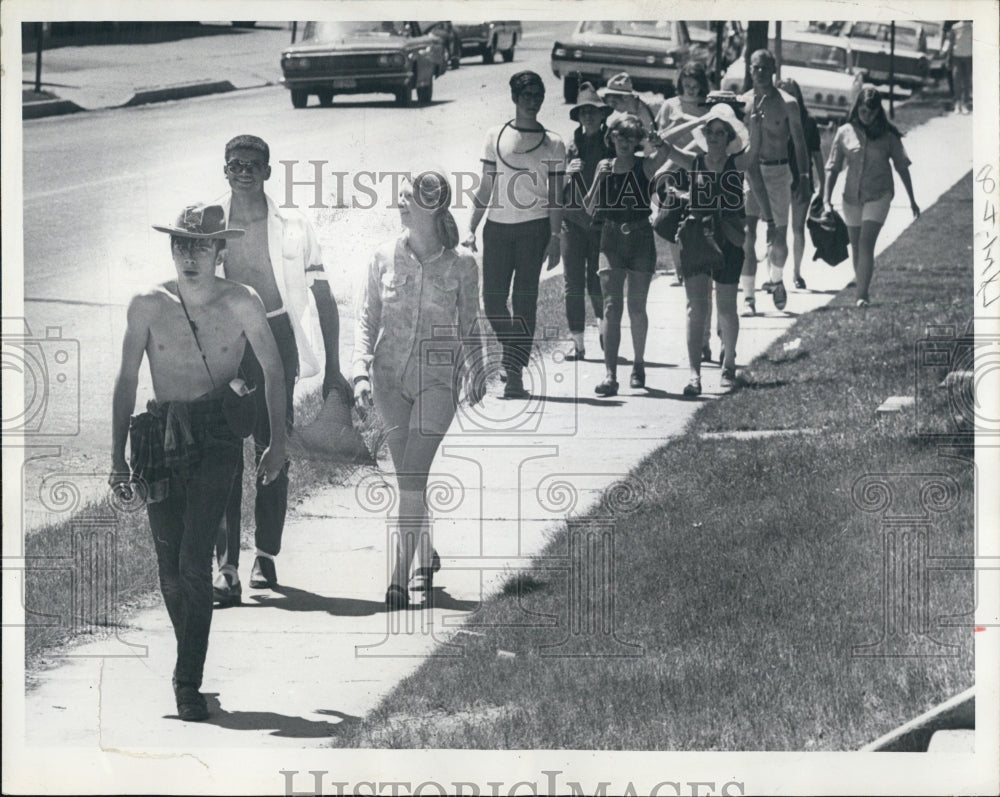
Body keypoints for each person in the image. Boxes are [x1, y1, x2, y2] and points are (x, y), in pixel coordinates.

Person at [109, 203, 287, 721]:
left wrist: (276, 444)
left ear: (220, 250)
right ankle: (192, 662)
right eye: (181, 244)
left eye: (201, 245)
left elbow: (274, 371)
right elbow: (125, 381)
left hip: (217, 438)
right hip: (160, 437)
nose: (190, 255)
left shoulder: (243, 301)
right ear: (172, 248)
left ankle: (187, 683)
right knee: (169, 572)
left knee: (193, 562)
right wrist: (116, 458)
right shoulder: (147, 304)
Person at [212, 134, 351, 605]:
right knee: (224, 451)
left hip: (278, 337)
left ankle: (266, 555)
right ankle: (226, 567)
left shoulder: (294, 225)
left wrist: (335, 368)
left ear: (268, 171)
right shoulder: (211, 221)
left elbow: (324, 296)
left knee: (274, 443)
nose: (244, 171)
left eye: (254, 164)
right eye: (236, 164)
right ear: (225, 170)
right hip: (227, 342)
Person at [354, 171, 485, 609]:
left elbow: (470, 320)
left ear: (432, 209)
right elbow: (366, 317)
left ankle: (397, 579)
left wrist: (477, 366)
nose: (400, 204)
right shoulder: (381, 256)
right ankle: (425, 557)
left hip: (437, 379)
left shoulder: (462, 263)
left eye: (408, 198)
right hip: (388, 379)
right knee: (410, 477)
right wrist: (359, 371)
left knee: (412, 476)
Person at [463, 72, 565, 399]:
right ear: (514, 97)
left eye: (538, 95)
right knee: (492, 302)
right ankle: (515, 355)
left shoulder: (554, 142)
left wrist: (555, 236)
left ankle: (515, 374)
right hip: (497, 229)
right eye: (526, 95)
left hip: (534, 230)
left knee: (524, 302)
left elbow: (556, 196)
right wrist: (471, 228)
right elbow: (486, 186)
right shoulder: (496, 136)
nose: (532, 101)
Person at [658, 104, 757, 395]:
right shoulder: (694, 161)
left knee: (726, 308)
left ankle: (728, 365)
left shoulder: (736, 164)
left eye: (720, 132)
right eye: (710, 131)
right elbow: (663, 144)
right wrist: (694, 121)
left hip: (728, 240)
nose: (714, 137)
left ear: (728, 137)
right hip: (697, 238)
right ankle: (694, 376)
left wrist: (755, 124)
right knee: (695, 308)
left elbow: (755, 150)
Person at [585, 112, 670, 396]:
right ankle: (610, 375)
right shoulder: (604, 166)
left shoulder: (644, 166)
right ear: (611, 138)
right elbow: (588, 207)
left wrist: (658, 141)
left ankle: (638, 364)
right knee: (611, 306)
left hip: (640, 237)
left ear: (636, 141)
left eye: (631, 138)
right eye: (620, 136)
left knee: (636, 307)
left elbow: (666, 154)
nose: (624, 142)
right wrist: (598, 179)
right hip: (610, 238)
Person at [823, 87, 920, 307]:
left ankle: (862, 295)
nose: (866, 115)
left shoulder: (888, 136)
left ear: (878, 112)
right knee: (856, 245)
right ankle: (861, 287)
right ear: (856, 108)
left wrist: (912, 199)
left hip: (879, 194)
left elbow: (902, 167)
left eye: (871, 111)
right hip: (851, 197)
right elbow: (833, 167)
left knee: (866, 242)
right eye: (863, 110)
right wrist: (826, 199)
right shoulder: (844, 132)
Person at [739, 50, 810, 316]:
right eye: (755, 68)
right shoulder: (743, 103)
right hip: (752, 173)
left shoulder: (788, 103)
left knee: (779, 238)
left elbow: (800, 143)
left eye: (765, 68)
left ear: (773, 69)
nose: (760, 73)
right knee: (748, 235)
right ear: (750, 70)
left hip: (780, 173)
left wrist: (803, 177)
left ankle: (777, 278)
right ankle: (748, 297)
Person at [653, 60, 712, 348]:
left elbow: (705, 147)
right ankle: (679, 268)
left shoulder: (709, 109)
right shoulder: (669, 107)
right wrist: (666, 171)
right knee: (668, 229)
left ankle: (705, 338)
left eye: (695, 82)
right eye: (686, 82)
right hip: (672, 180)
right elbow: (661, 141)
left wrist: (675, 160)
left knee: (701, 267)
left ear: (702, 83)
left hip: (699, 181)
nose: (690, 87)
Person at [561, 82, 613, 361]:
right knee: (572, 283)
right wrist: (567, 173)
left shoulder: (610, 143)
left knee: (598, 280)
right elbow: (555, 187)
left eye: (593, 111)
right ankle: (577, 343)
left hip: (601, 220)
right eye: (583, 112)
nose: (588, 117)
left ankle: (606, 334)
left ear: (602, 114)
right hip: (572, 219)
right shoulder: (570, 145)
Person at [777, 78, 826, 291]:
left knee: (797, 228)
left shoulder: (808, 122)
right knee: (778, 228)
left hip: (801, 180)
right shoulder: (773, 119)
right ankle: (775, 273)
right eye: (783, 92)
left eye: (791, 92)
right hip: (778, 179)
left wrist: (823, 184)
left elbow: (817, 154)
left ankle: (796, 272)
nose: (788, 97)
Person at [941, 20, 972, 114]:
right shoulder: (955, 27)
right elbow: (951, 42)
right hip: (957, 56)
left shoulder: (972, 27)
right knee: (956, 79)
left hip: (969, 56)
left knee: (967, 81)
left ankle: (965, 104)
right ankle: (957, 103)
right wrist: (948, 57)